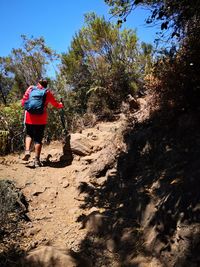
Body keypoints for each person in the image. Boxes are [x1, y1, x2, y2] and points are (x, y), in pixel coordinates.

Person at [21, 79, 63, 167]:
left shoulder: (31, 89)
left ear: (38, 83)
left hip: (29, 117)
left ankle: (27, 151)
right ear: (46, 85)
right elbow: (55, 104)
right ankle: (37, 160)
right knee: (38, 139)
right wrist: (61, 105)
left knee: (29, 134)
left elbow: (23, 101)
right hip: (41, 119)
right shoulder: (47, 92)